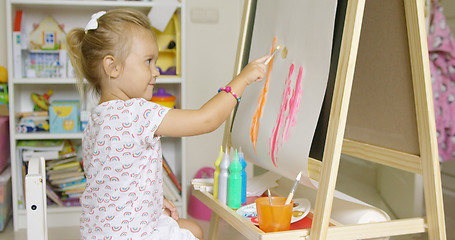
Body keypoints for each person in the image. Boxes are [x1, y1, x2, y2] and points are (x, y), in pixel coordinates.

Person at [67, 8, 268, 240]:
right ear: (113, 67)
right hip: (132, 235)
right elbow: (206, 119)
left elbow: (111, 178)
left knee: (192, 228)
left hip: (100, 232)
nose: (156, 70)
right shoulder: (136, 112)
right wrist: (242, 79)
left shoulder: (96, 118)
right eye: (148, 61)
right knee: (195, 232)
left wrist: (151, 200)